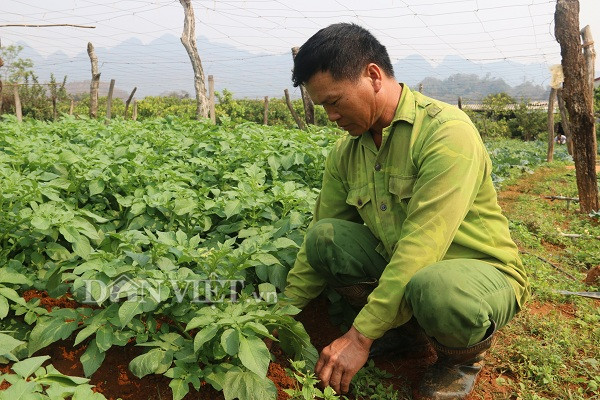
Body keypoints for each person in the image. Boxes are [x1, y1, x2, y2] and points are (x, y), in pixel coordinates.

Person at [283, 23, 530, 399]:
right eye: (322, 107)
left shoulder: (446, 132)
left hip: (475, 275)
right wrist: (281, 313)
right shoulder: (346, 152)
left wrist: (359, 335)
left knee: (434, 286)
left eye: (334, 101)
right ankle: (402, 332)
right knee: (324, 238)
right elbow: (321, 231)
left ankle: (460, 359)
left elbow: (421, 247)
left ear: (373, 76)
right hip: (407, 271)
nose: (330, 116)